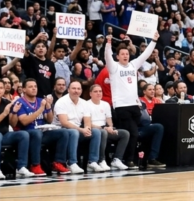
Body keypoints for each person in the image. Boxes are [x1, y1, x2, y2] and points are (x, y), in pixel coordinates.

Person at [104, 33, 158, 168]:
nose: (125, 55)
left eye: (127, 53)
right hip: (122, 107)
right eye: (122, 54)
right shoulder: (114, 67)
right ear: (118, 56)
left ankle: (130, 158)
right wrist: (108, 44)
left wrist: (154, 40)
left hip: (135, 106)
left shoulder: (133, 65)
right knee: (132, 133)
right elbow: (107, 57)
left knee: (134, 134)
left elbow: (145, 54)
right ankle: (127, 159)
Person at [0, 78, 34, 179]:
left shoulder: (6, 102)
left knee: (23, 134)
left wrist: (14, 112)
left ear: (4, 90)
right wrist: (4, 113)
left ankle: (21, 167)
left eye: (1, 88)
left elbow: (13, 124)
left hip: (5, 134)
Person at [15, 78, 68, 175]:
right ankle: (35, 165)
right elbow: (24, 122)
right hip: (28, 133)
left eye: (35, 86)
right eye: (30, 87)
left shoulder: (40, 101)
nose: (34, 89)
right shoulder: (20, 102)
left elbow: (49, 120)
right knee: (36, 133)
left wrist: (48, 107)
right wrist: (41, 109)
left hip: (42, 132)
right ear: (24, 89)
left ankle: (58, 162)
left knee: (63, 133)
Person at [52, 80, 100, 174]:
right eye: (73, 88)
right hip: (61, 130)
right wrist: (81, 130)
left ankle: (92, 162)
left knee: (96, 132)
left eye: (78, 89)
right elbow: (64, 122)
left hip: (78, 130)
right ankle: (72, 163)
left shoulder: (84, 103)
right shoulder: (61, 102)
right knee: (74, 132)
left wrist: (87, 129)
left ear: (81, 91)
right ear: (68, 90)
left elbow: (87, 121)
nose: (76, 91)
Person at [87, 84, 129, 171]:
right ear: (90, 93)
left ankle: (117, 160)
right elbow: (88, 123)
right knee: (103, 132)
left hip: (105, 129)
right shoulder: (86, 104)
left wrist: (110, 127)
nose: (98, 93)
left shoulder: (105, 104)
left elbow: (109, 119)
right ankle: (101, 160)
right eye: (95, 91)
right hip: (93, 130)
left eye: (100, 91)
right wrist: (104, 128)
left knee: (125, 133)